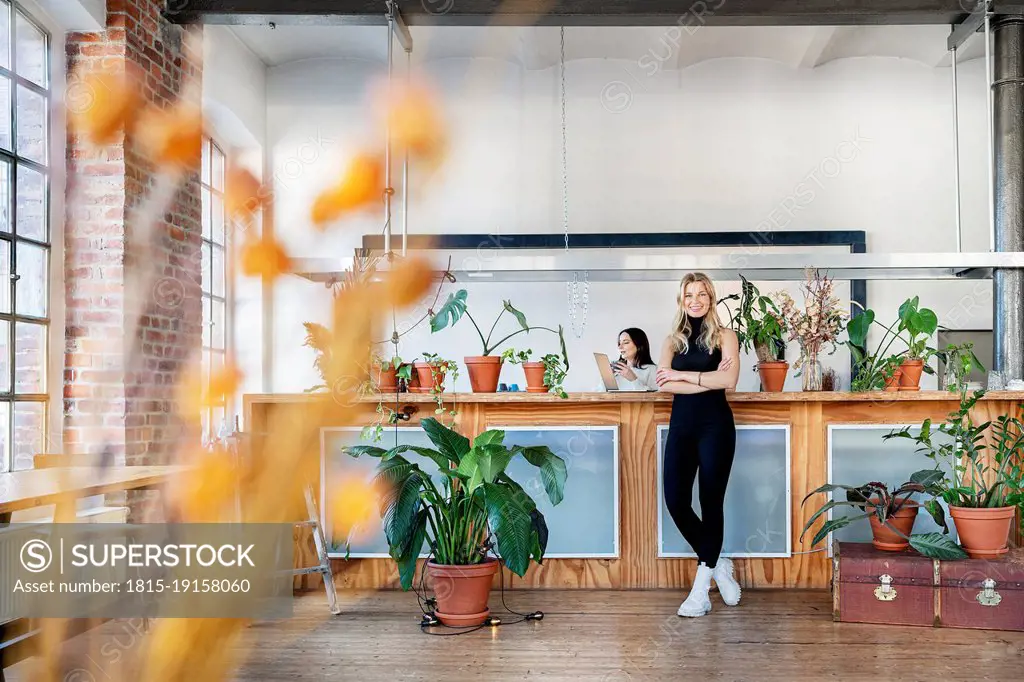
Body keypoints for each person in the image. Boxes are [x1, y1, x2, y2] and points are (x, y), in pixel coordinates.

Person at [656, 272, 741, 618]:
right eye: (689, 294)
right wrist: (707, 379)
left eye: (702, 294)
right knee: (675, 500)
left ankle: (700, 589)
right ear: (681, 300)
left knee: (710, 502)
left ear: (711, 298)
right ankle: (718, 561)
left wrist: (684, 376)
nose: (695, 300)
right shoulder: (671, 341)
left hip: (716, 427)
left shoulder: (726, 336)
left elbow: (730, 381)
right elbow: (664, 385)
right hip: (682, 428)